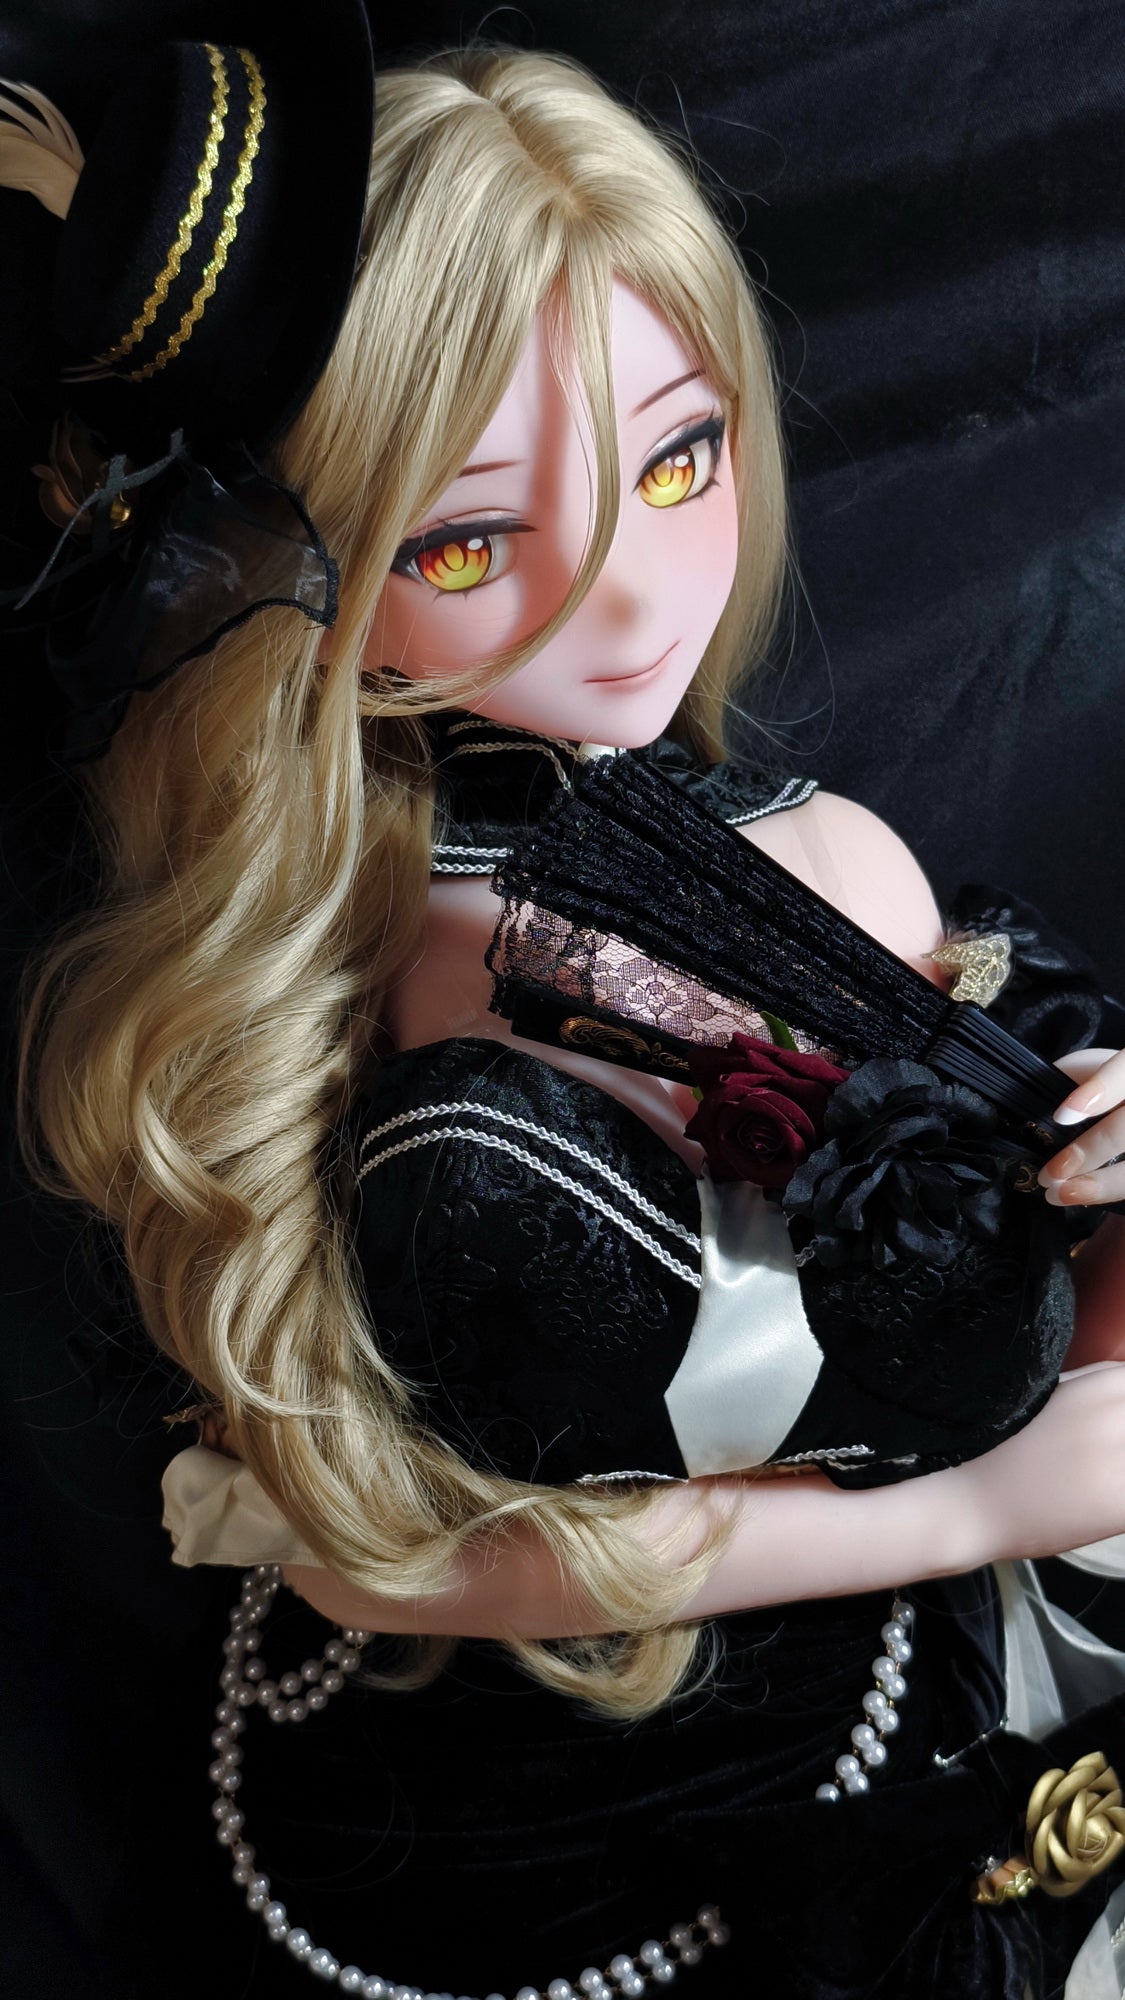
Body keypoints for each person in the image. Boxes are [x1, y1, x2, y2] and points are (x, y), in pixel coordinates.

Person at [10, 21, 1125, 1999]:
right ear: (298, 564)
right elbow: (367, 1545)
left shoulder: (799, 851)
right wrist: (989, 1498)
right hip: (554, 1832)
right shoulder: (354, 985)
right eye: (467, 538)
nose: (623, 598)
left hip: (924, 1740)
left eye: (677, 458)